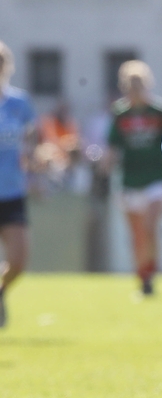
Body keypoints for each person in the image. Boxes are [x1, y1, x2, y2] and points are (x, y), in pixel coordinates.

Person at [104, 60, 162, 295]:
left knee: (150, 226)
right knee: (137, 234)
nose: (134, 90)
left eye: (138, 84)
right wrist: (104, 167)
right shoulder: (120, 114)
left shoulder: (160, 112)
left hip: (156, 178)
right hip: (130, 180)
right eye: (130, 85)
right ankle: (142, 277)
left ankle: (151, 273)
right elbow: (113, 147)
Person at [0, 40, 39, 328]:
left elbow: (31, 144)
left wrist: (36, 172)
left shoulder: (19, 103)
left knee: (18, 261)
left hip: (13, 190)